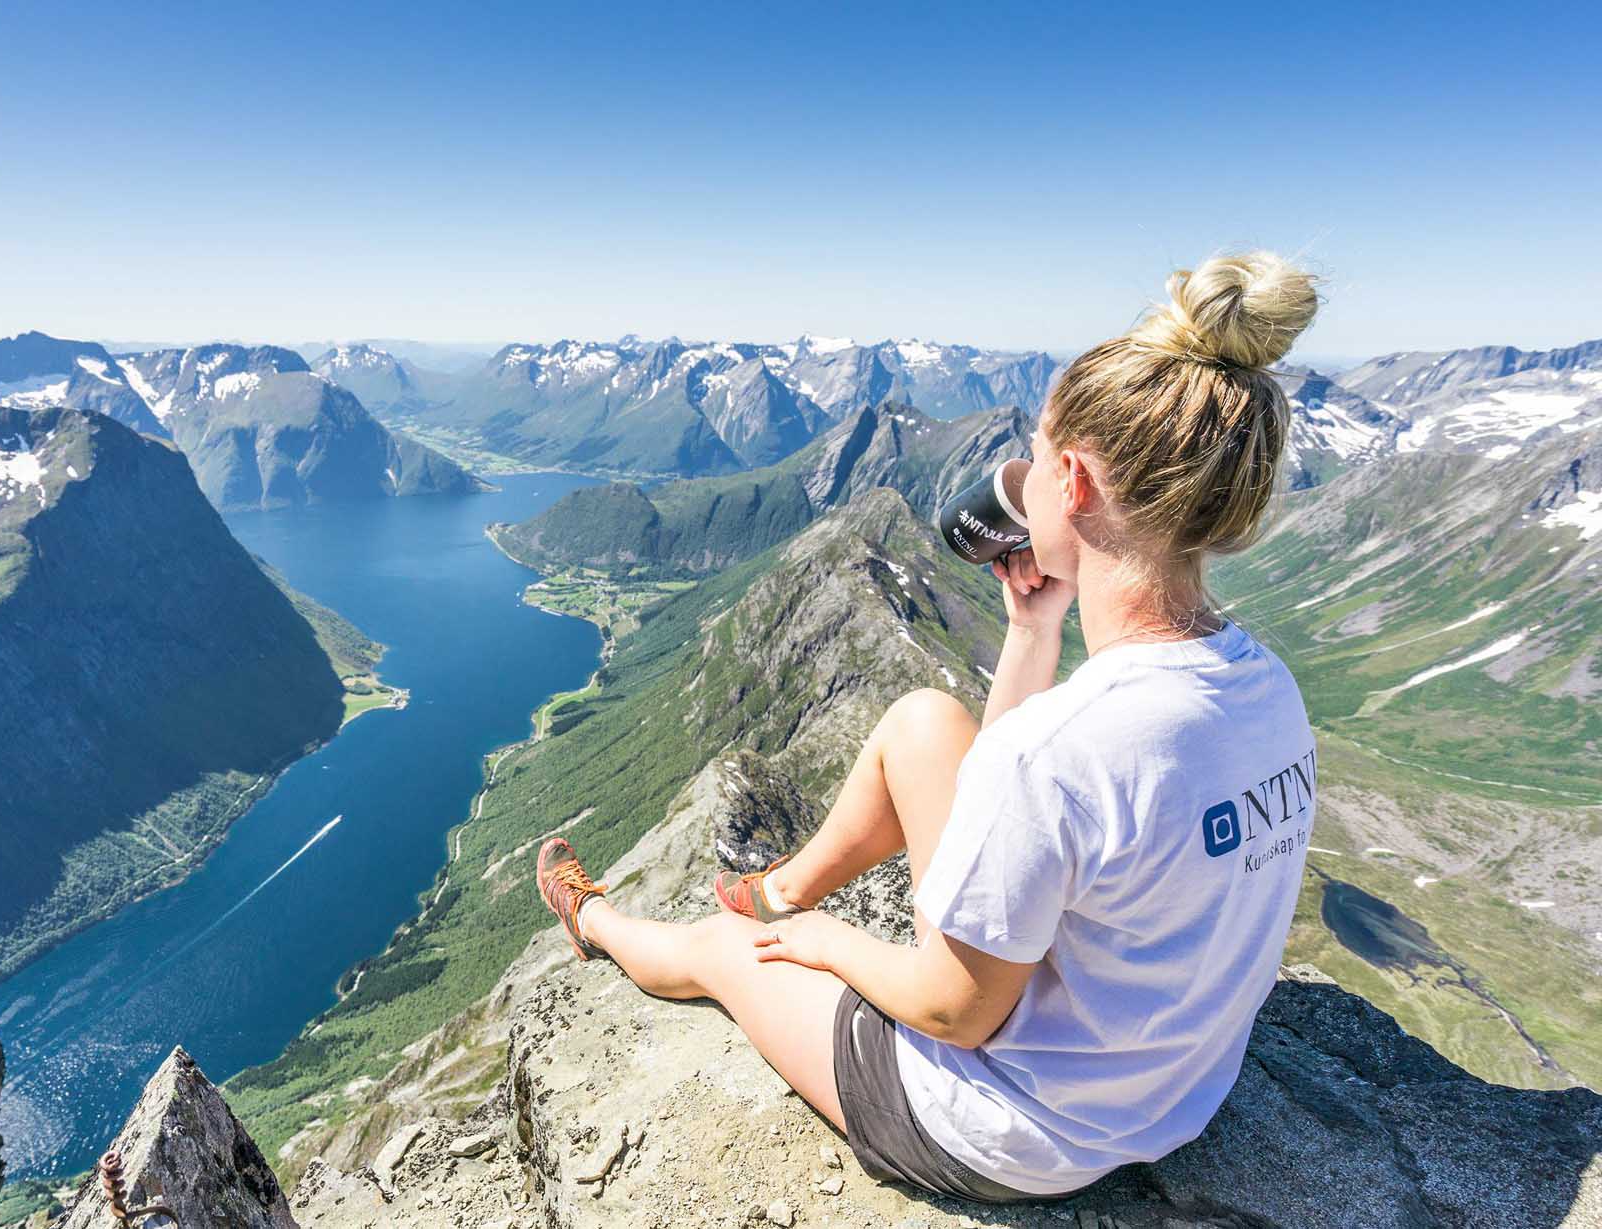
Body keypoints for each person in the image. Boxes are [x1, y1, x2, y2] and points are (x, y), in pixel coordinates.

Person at [533, 251, 1323, 1202]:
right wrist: (1033, 630)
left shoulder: (1066, 750)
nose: (1019, 481)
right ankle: (778, 890)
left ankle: (598, 919)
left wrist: (831, 945)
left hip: (1016, 1125)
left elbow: (955, 1012)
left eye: (1033, 461)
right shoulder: (1267, 688)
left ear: (1071, 484)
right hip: (1176, 1091)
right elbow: (1019, 796)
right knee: (922, 723)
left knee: (724, 954)